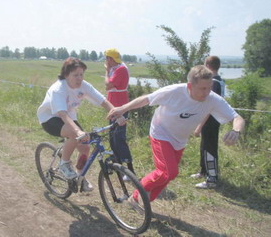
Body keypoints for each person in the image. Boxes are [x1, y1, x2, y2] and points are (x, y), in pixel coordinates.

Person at [107, 65, 245, 209]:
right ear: (190, 85)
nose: (207, 92)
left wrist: (236, 131)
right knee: (168, 172)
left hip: (180, 140)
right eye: (203, 88)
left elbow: (238, 118)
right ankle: (136, 196)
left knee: (169, 175)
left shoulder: (213, 99)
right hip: (161, 132)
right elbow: (146, 99)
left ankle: (141, 200)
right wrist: (122, 108)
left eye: (209, 87)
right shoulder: (174, 91)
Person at [37, 57, 123, 192]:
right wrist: (77, 132)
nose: (79, 78)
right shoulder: (58, 89)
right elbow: (62, 114)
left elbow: (103, 101)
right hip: (50, 118)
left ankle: (80, 177)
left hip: (68, 117)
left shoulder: (84, 86)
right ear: (66, 75)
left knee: (85, 147)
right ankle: (64, 163)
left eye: (81, 74)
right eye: (75, 75)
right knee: (74, 134)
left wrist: (118, 115)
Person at [191, 56, 226, 189]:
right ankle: (203, 171)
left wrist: (199, 126)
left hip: (211, 119)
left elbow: (209, 107)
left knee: (210, 148)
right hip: (212, 119)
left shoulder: (214, 83)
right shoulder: (219, 81)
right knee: (204, 145)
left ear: (208, 65)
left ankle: (212, 178)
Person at [104, 48, 135, 179]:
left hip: (119, 106)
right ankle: (118, 166)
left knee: (119, 138)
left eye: (106, 58)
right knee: (112, 137)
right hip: (113, 106)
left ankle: (130, 171)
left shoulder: (120, 69)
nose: (106, 61)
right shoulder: (115, 68)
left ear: (111, 59)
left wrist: (106, 72)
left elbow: (108, 85)